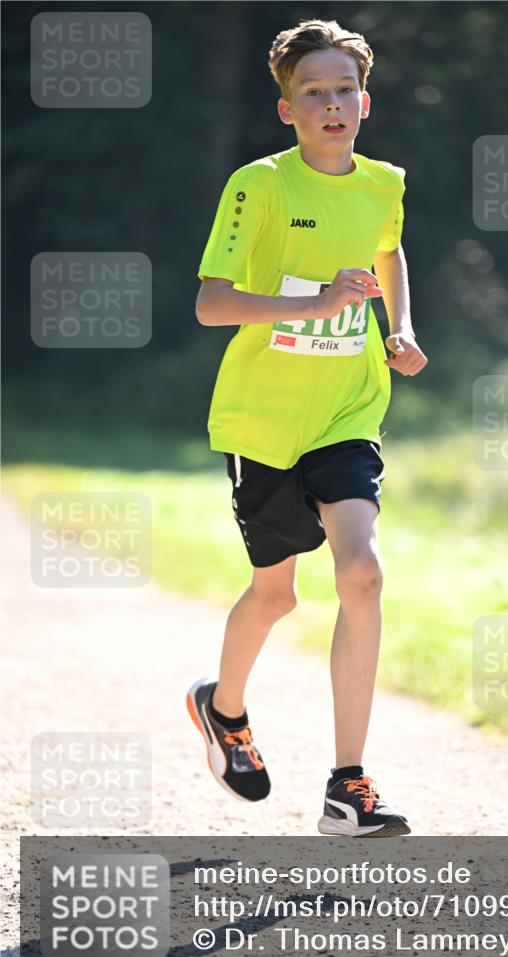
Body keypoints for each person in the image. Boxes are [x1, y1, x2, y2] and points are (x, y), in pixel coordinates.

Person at [186, 18, 428, 837]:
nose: (330, 105)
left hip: (348, 408)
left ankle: (347, 786)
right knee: (276, 593)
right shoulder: (259, 184)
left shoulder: (383, 184)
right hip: (262, 420)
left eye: (342, 90)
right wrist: (311, 303)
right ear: (287, 110)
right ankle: (223, 711)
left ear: (364, 100)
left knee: (361, 573)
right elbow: (211, 302)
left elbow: (389, 253)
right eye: (311, 93)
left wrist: (396, 328)